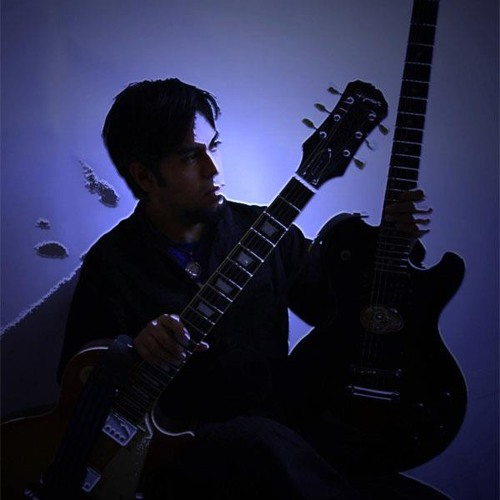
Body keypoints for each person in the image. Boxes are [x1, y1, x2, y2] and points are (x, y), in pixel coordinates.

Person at [57, 77, 447, 499]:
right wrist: (133, 349)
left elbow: (348, 320)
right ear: (145, 176)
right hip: (179, 457)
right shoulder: (112, 261)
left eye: (215, 146)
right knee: (252, 440)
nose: (214, 168)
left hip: (284, 439)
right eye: (191, 156)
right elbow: (77, 378)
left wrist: (391, 246)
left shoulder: (267, 232)